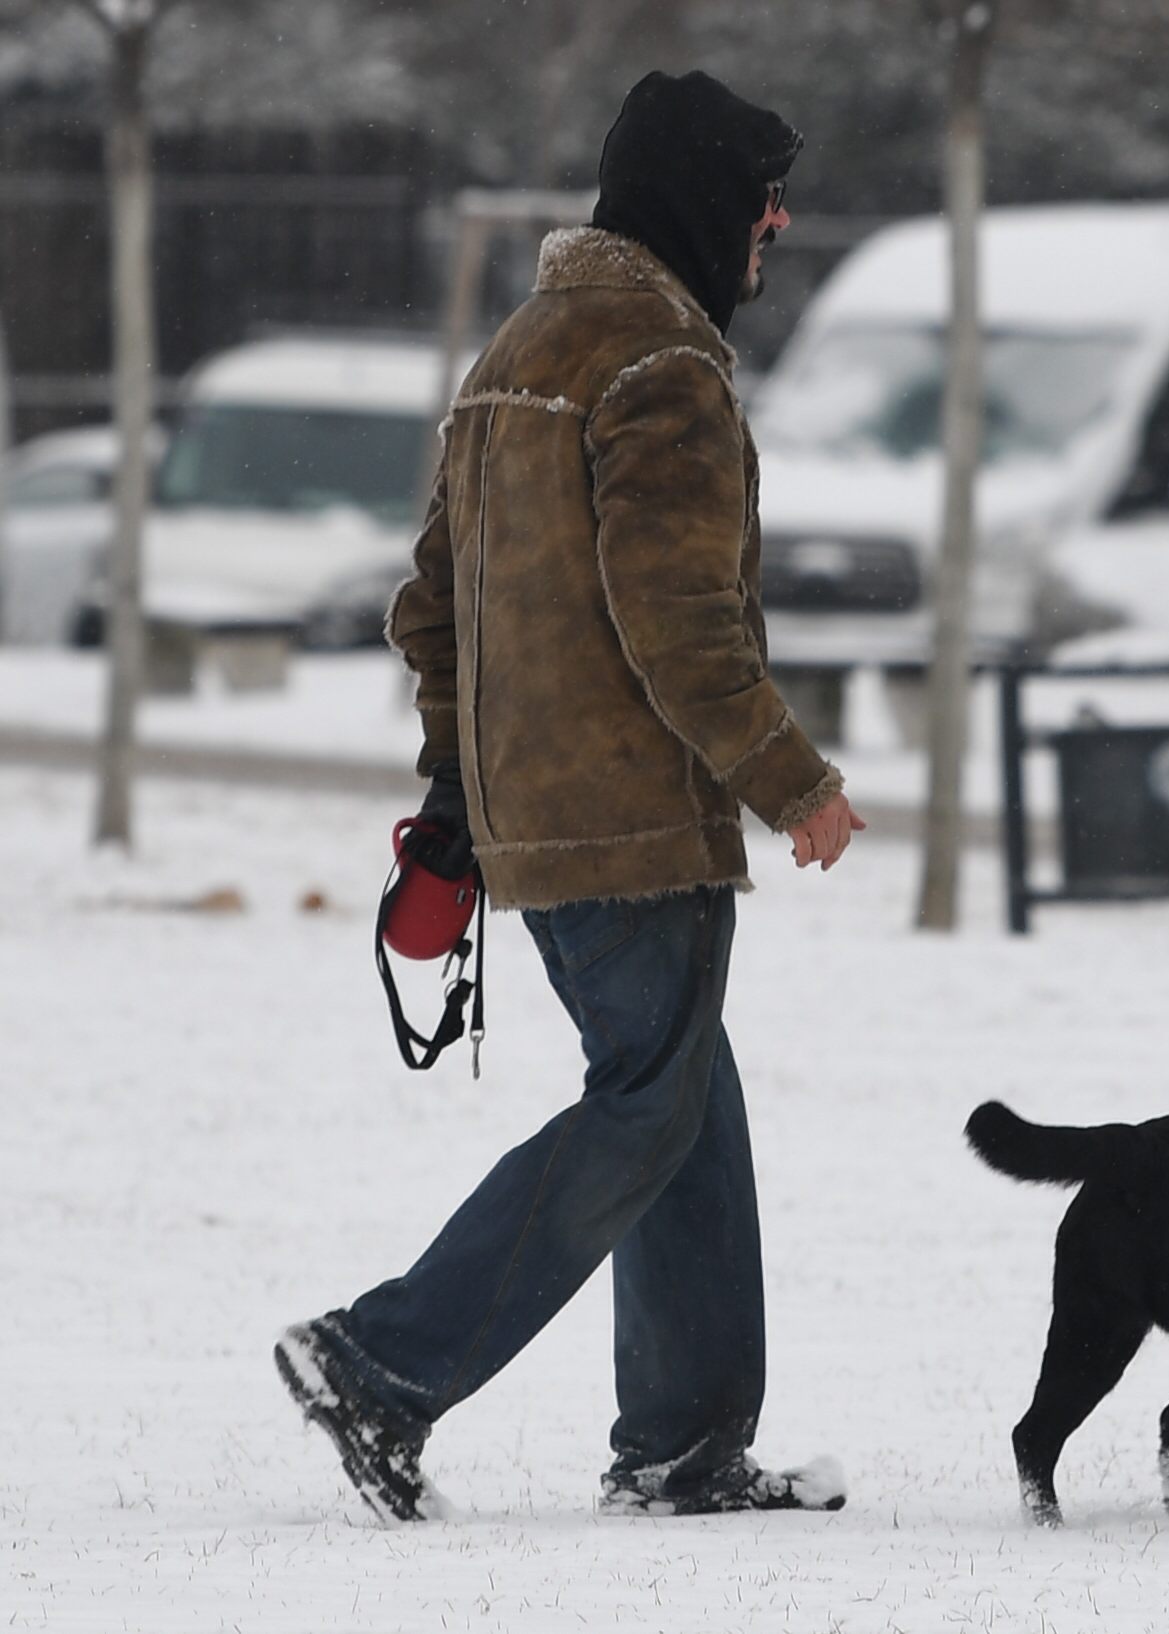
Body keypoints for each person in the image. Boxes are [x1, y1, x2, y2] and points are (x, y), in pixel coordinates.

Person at [274, 71, 864, 1523]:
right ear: (700, 198)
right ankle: (383, 1361)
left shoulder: (518, 350)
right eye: (762, 195)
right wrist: (790, 778)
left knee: (681, 1095)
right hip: (632, 817)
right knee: (647, 1104)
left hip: (538, 815)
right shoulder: (661, 361)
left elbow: (432, 611)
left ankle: (683, 1441)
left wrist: (461, 783)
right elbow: (678, 619)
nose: (777, 224)